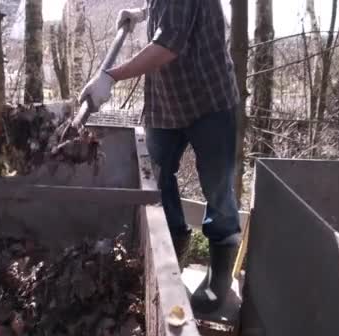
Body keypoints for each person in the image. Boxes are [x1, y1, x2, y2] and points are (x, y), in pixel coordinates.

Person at [78, 0, 242, 314]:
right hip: (167, 100)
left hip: (209, 99)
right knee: (155, 177)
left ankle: (219, 272)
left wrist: (110, 76)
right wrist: (142, 12)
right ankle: (173, 245)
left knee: (217, 187)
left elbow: (167, 45)